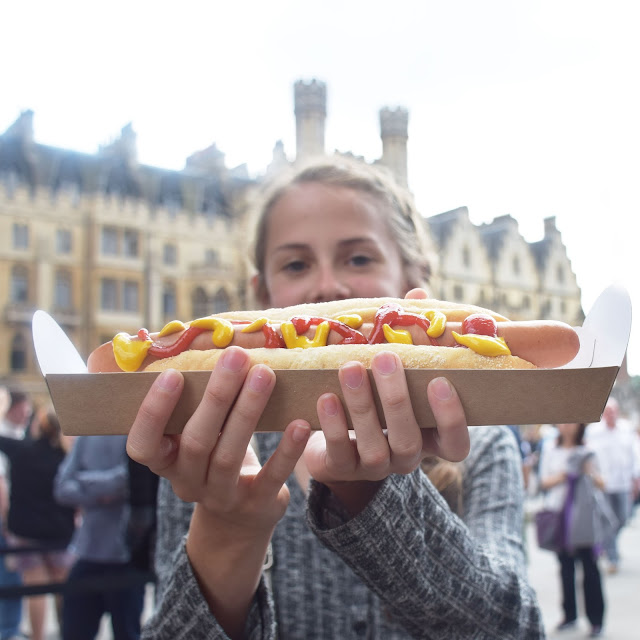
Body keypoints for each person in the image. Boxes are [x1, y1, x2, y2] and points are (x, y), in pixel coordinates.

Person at [126, 157, 545, 639]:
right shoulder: (210, 446)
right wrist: (226, 530)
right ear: (262, 296)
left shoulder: (483, 442)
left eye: (359, 258)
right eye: (296, 264)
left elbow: (516, 629)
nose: (326, 285)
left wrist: (373, 496)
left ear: (414, 282)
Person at [54, 435, 145, 640]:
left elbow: (132, 480)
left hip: (126, 554)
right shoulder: (86, 438)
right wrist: (104, 491)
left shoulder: (133, 436)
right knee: (74, 631)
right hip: (88, 552)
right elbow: (62, 487)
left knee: (127, 632)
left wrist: (84, 480)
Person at [0, 407, 75, 640]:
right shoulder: (65, 455)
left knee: (35, 590)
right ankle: (67, 633)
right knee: (63, 588)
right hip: (59, 532)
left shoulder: (22, 450)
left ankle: (38, 637)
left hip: (27, 532)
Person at [539, 422, 606, 637]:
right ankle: (570, 615)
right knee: (566, 568)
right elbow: (543, 481)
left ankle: (596, 620)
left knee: (590, 568)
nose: (567, 426)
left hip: (584, 518)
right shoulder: (551, 449)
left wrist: (588, 472)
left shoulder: (588, 450)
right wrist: (565, 475)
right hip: (560, 516)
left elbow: (603, 483)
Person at [586, 397, 640, 574]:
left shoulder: (626, 429)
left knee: (623, 518)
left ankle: (606, 542)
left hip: (623, 483)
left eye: (613, 412)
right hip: (604, 485)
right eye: (608, 412)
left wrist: (636, 479)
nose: (611, 415)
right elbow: (589, 457)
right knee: (609, 521)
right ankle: (612, 557)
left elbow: (634, 455)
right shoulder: (594, 431)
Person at [0, 387, 32, 640]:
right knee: (9, 577)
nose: (27, 413)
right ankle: (8, 630)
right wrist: (6, 522)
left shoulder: (19, 433)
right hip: (6, 519)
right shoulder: (5, 435)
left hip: (13, 516)